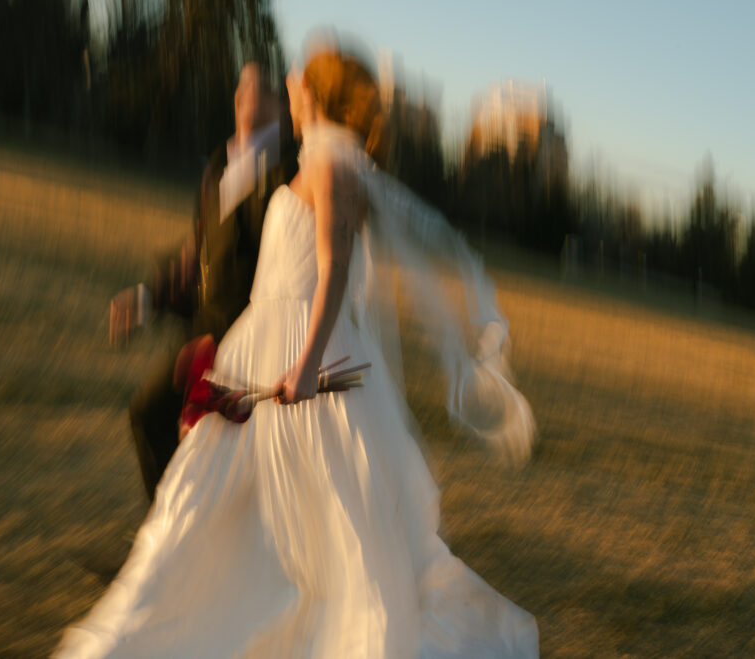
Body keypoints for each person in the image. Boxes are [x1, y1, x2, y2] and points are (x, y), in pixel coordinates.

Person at [59, 41, 538, 657]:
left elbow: (335, 267)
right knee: (213, 496)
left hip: (294, 349)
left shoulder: (333, 165)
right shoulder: (318, 158)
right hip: (259, 343)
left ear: (316, 93)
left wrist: (308, 365)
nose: (289, 79)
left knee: (316, 512)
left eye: (300, 75)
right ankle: (188, 613)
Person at [110, 62, 298, 500]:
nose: (246, 90)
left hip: (249, 341)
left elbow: (282, 272)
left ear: (281, 105)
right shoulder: (218, 163)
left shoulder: (287, 173)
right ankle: (166, 552)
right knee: (150, 418)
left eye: (261, 85)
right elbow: (198, 253)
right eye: (242, 82)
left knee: (219, 460)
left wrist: (220, 344)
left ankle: (178, 556)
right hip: (201, 332)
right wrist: (147, 298)